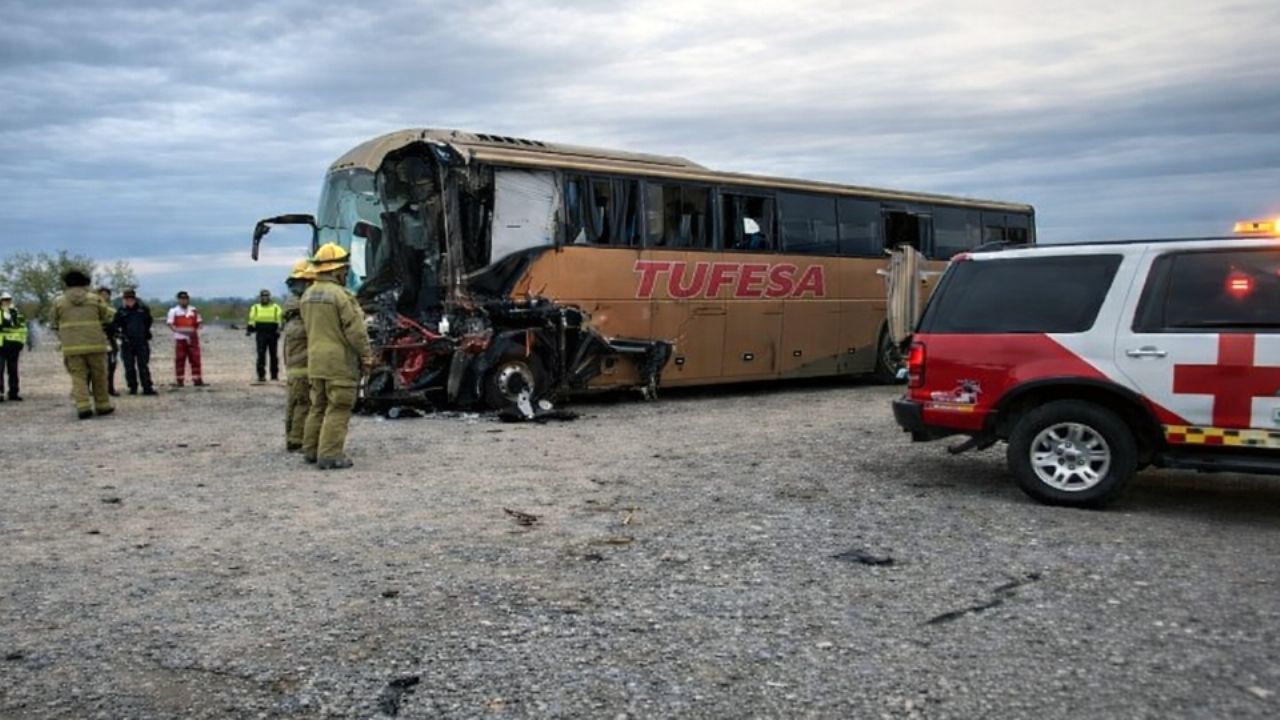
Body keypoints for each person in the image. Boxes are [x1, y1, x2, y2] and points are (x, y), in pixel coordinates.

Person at [301, 244, 374, 470]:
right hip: (339, 363)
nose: (345, 273)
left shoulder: (307, 294)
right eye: (343, 269)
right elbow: (356, 331)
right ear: (337, 270)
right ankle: (331, 454)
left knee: (318, 406)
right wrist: (367, 357)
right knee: (339, 407)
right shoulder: (341, 296)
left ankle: (312, 450)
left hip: (315, 361)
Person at [50, 270, 114, 419]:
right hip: (95, 345)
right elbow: (108, 316)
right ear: (86, 282)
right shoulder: (95, 299)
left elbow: (53, 323)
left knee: (78, 377)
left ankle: (83, 407)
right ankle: (103, 405)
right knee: (99, 375)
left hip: (71, 347)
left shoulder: (59, 301)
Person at [282, 261, 314, 451]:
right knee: (303, 400)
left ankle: (294, 437)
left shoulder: (293, 308)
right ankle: (297, 439)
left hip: (296, 365)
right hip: (302, 365)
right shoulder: (301, 311)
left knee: (295, 400)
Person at [113, 288, 156, 395]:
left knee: (143, 365)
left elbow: (148, 321)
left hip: (141, 341)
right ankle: (132, 387)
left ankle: (147, 387)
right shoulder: (121, 311)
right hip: (127, 342)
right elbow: (115, 325)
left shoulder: (143, 309)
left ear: (135, 299)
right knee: (129, 366)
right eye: (127, 299)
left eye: (131, 298)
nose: (129, 301)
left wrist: (145, 332)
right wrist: (120, 335)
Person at [166, 291, 204, 387]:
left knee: (195, 359)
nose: (184, 301)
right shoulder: (173, 311)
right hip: (180, 338)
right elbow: (170, 324)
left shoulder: (193, 310)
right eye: (182, 299)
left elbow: (199, 322)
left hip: (192, 338)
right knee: (180, 359)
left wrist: (194, 332)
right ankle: (180, 380)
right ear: (179, 300)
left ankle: (197, 380)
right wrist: (179, 332)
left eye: (185, 299)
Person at [247, 288, 283, 383]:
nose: (265, 298)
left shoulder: (276, 307)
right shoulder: (255, 307)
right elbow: (252, 319)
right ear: (260, 297)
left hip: (272, 332)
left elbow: (279, 319)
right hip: (261, 332)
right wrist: (249, 329)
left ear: (270, 297)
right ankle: (261, 375)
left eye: (266, 296)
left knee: (273, 355)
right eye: (263, 296)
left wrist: (279, 329)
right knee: (261, 354)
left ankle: (274, 375)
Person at [0, 291, 27, 401]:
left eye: (8, 299)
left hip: (13, 346)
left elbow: (23, 328)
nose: (6, 302)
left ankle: (14, 392)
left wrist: (21, 343)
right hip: (1, 346)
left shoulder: (16, 313)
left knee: (13, 370)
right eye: (4, 300)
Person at [97, 286, 120, 396]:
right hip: (96, 341)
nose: (104, 297)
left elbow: (117, 324)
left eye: (106, 294)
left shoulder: (112, 310)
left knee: (112, 365)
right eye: (101, 294)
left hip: (110, 340)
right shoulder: (92, 310)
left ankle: (110, 388)